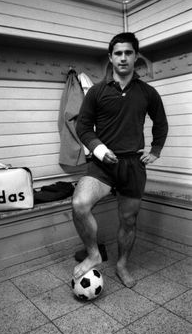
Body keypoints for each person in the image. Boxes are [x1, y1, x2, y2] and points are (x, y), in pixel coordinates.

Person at [72, 32, 168, 288]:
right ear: (110, 58)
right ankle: (94, 254)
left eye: (128, 53)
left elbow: (161, 123)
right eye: (118, 53)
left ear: (136, 56)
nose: (123, 58)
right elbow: (83, 127)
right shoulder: (96, 92)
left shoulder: (148, 92)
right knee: (80, 203)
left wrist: (156, 149)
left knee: (128, 220)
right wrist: (99, 149)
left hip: (133, 166)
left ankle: (122, 264)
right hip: (103, 164)